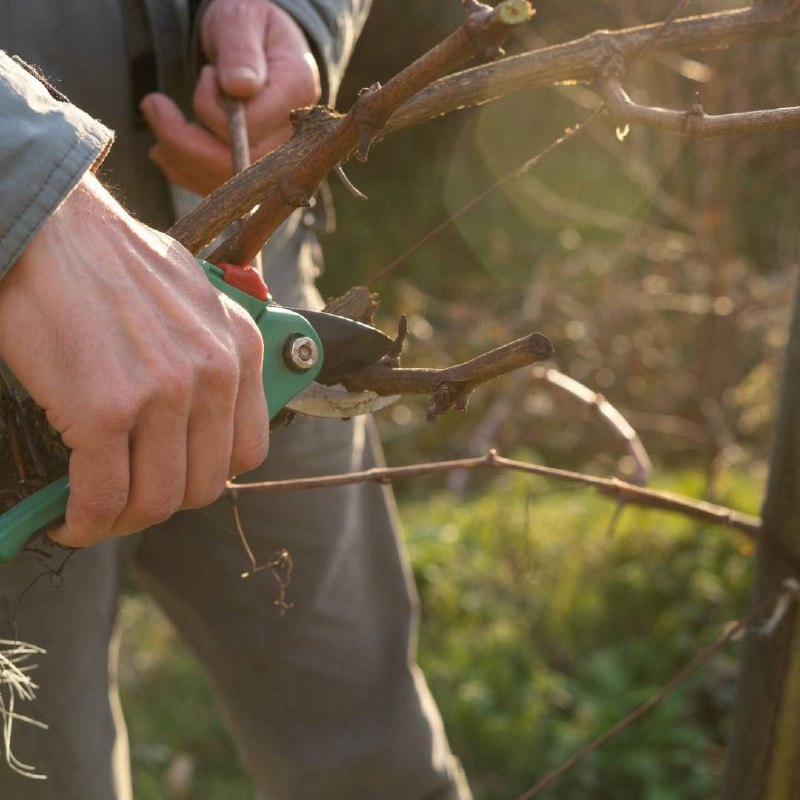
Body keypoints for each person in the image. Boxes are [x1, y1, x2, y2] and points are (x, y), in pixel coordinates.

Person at [0, 1, 472, 798]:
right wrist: (24, 189)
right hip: (28, 288)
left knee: (372, 754)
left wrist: (295, 14)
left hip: (249, 294)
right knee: (43, 778)